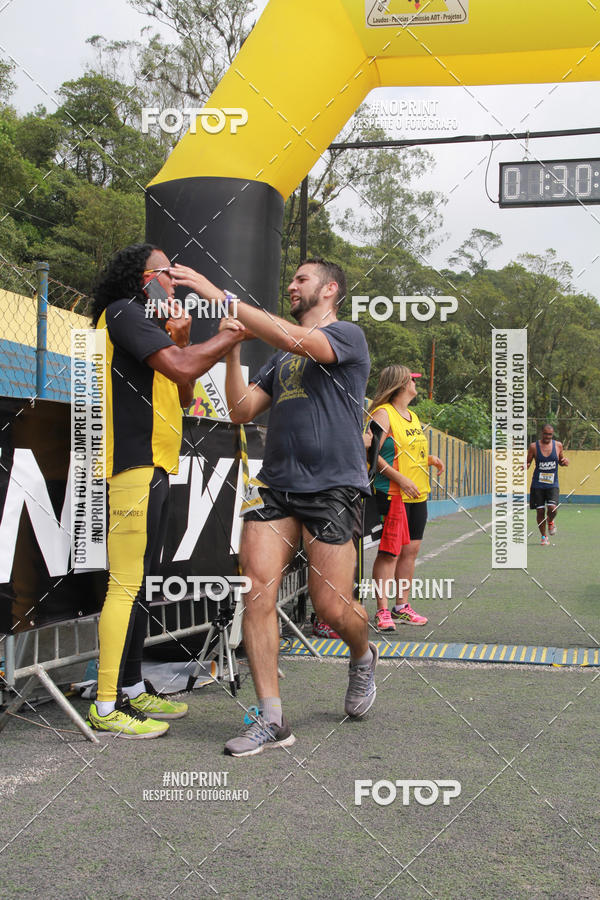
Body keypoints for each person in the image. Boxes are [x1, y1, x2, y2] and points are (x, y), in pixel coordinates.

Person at [170, 257, 377, 757]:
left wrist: (219, 294)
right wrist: (233, 350)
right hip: (275, 486)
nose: (291, 284)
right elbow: (241, 410)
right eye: (291, 278)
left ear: (329, 290)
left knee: (331, 607)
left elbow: (292, 339)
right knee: (256, 591)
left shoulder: (347, 335)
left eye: (301, 279)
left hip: (332, 486)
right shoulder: (278, 359)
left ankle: (363, 652)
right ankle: (271, 718)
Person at [87, 243, 246, 738]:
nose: (175, 283)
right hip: (128, 464)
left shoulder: (150, 326)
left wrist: (185, 336)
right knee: (126, 583)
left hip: (155, 463)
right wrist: (226, 336)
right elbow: (182, 367)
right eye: (167, 274)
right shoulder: (124, 311)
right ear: (143, 278)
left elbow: (181, 389)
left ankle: (132, 688)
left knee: (142, 581)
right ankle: (106, 702)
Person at [368, 365, 444, 631]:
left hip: (417, 494)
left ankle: (401, 607)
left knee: (410, 552)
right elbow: (371, 453)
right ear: (401, 384)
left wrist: (429, 459)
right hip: (393, 494)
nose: (415, 384)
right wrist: (399, 479)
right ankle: (382, 611)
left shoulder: (412, 415)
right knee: (390, 553)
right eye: (412, 380)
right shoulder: (383, 414)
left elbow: (407, 452)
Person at [527, 424, 569, 545]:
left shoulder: (558, 445)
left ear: (552, 434)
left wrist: (565, 462)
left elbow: (561, 461)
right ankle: (544, 537)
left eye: (550, 434)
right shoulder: (534, 447)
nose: (547, 436)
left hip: (552, 484)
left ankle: (550, 521)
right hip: (537, 485)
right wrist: (525, 465)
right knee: (540, 511)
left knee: (552, 508)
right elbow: (528, 462)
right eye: (545, 434)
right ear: (541, 433)